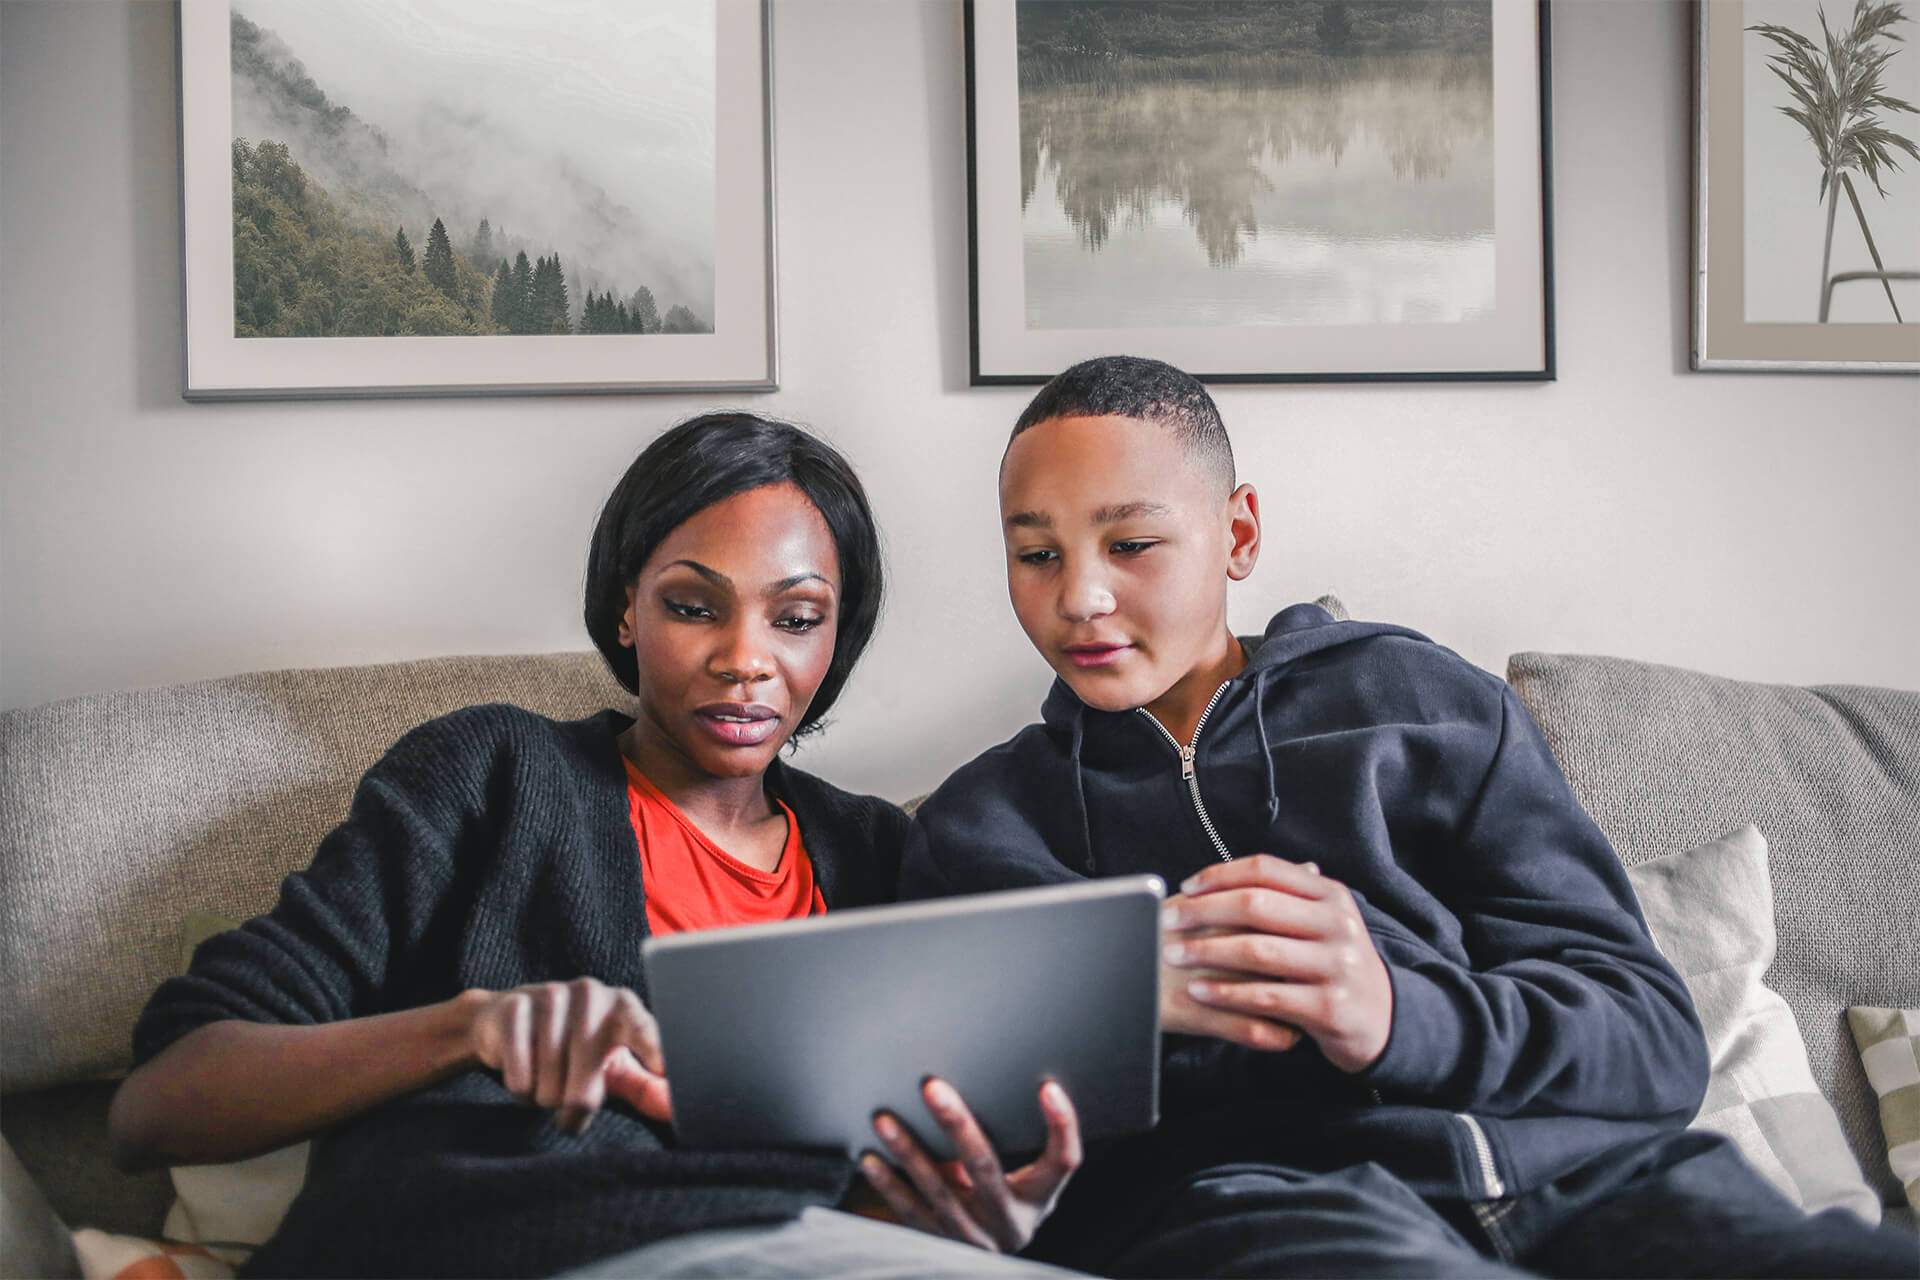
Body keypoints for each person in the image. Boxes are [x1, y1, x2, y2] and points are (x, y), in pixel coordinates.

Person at [901, 356, 1918, 1278]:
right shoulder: (982, 828)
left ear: (1238, 533)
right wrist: (1126, 1007)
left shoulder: (1415, 698)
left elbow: (1651, 1042)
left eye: (1130, 542)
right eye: (1035, 554)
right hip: (1274, 1212)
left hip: (1602, 1185)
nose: (1079, 595)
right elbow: (982, 1139)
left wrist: (1392, 1013)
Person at [108, 412, 1080, 1279]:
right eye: (694, 605)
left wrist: (982, 1214)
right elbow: (156, 1103)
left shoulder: (878, 852)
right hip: (513, 1236)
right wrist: (473, 1025)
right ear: (627, 608)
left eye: (795, 618)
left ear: (836, 640)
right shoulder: (495, 772)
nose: (746, 658)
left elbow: (886, 1167)